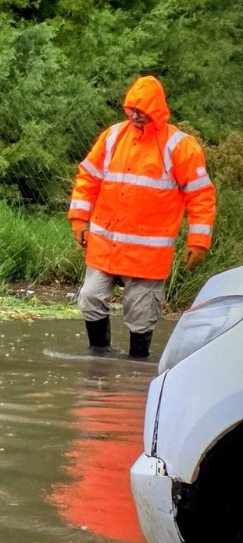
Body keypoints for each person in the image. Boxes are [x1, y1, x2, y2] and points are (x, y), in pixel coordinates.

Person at [68, 75, 215, 359]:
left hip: (148, 253)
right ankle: (98, 359)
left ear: (156, 110)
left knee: (140, 313)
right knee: (89, 298)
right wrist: (78, 219)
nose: (134, 115)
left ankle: (137, 367)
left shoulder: (180, 146)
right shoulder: (112, 137)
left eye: (141, 110)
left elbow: (201, 195)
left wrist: (199, 241)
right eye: (130, 109)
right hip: (104, 244)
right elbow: (88, 178)